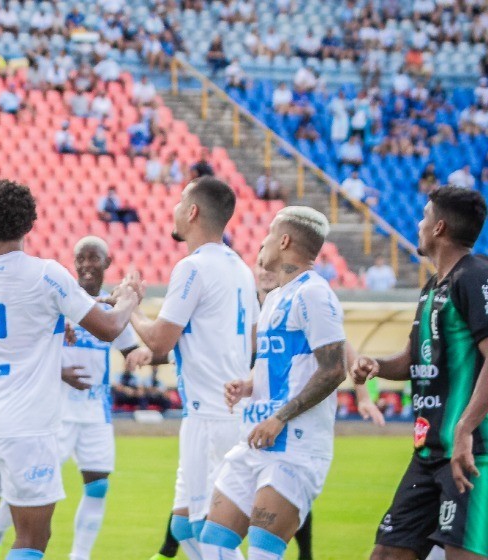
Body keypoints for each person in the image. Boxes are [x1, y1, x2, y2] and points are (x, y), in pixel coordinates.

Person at [0, 180, 141, 560]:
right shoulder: (47, 274)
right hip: (26, 425)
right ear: (31, 222)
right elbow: (110, 328)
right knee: (32, 539)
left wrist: (57, 326)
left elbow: (18, 320)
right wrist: (129, 300)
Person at [0, 236, 152, 560]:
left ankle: (79, 556)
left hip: (97, 414)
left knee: (98, 487)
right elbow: (28, 348)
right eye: (80, 258)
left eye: (93, 258)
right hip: (56, 414)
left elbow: (132, 348)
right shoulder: (60, 300)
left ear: (107, 262)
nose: (86, 264)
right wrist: (60, 372)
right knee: (30, 487)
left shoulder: (112, 310)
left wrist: (140, 354)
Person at [198, 207, 347, 560]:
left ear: (284, 241)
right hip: (256, 440)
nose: (261, 243)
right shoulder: (277, 296)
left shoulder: (314, 293)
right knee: (213, 542)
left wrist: (280, 417)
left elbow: (334, 369)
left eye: (267, 234)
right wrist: (248, 385)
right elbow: (276, 364)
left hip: (295, 446)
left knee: (264, 552)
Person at [354, 187, 488, 560]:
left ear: (439, 227)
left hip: (472, 452)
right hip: (428, 456)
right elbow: (415, 360)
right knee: (385, 554)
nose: (418, 224)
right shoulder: (432, 288)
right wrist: (377, 365)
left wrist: (463, 428)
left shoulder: (474, 277)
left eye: (425, 216)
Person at [128, 176, 258, 560]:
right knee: (183, 524)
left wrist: (132, 305)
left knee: (209, 533)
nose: (174, 208)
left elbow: (159, 341)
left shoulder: (192, 268)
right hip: (218, 412)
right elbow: (248, 343)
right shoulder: (241, 269)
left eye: (179, 201)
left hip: (211, 416)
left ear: (193, 211)